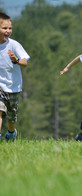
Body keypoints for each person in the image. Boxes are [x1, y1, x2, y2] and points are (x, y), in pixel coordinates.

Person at [0, 12, 30, 141]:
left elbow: (25, 62)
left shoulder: (14, 45)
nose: (8, 31)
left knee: (11, 117)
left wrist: (16, 60)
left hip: (13, 86)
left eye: (10, 28)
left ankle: (11, 133)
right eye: (4, 28)